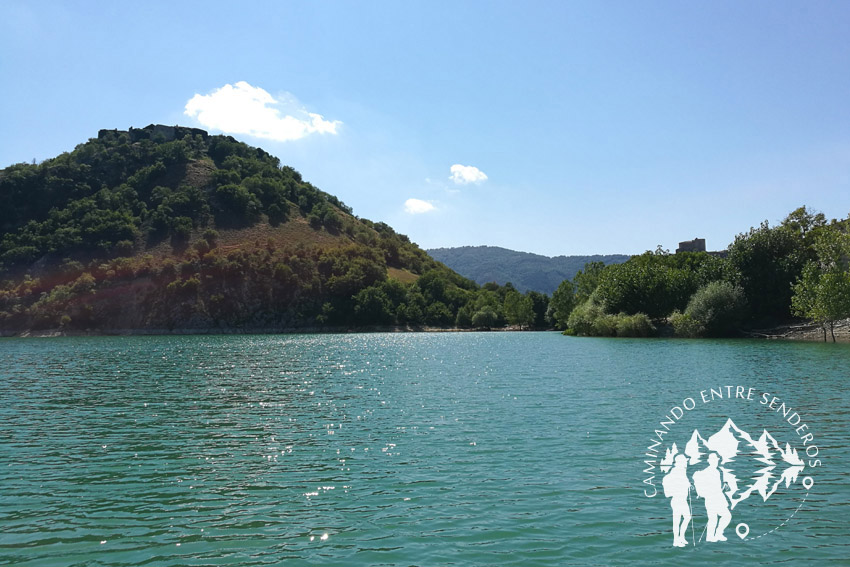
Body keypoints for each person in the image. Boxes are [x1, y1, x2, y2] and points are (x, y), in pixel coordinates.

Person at [692, 452, 731, 542]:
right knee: (714, 518)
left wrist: (725, 486)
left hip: (719, 497)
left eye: (716, 460)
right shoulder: (706, 472)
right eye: (713, 460)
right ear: (709, 461)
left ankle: (717, 534)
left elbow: (719, 485)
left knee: (725, 516)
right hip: (711, 498)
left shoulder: (718, 471)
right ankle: (711, 537)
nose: (715, 462)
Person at [662, 454, 692, 547]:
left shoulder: (682, 471)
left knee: (687, 517)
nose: (686, 463)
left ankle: (681, 537)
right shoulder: (675, 472)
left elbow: (685, 482)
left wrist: (689, 485)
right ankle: (676, 540)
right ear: (680, 462)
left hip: (683, 500)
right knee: (677, 520)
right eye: (685, 461)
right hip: (677, 500)